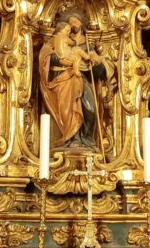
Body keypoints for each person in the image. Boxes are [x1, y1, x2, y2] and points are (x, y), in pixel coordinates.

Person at [39, 10, 107, 151]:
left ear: (81, 24)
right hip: (64, 77)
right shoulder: (59, 39)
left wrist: (96, 63)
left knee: (90, 108)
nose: (73, 25)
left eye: (75, 21)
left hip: (81, 77)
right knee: (68, 109)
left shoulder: (87, 44)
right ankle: (72, 138)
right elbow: (45, 54)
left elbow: (98, 68)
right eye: (70, 23)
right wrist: (62, 61)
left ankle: (87, 139)